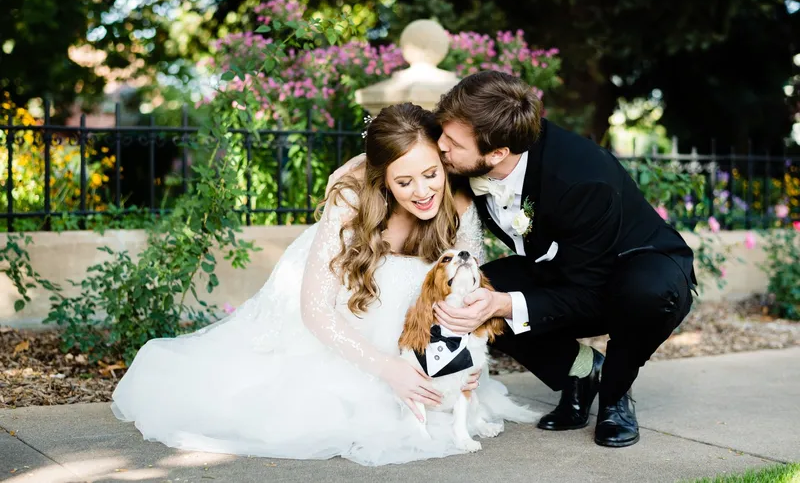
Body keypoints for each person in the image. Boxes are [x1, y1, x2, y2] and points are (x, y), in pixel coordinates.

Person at [111, 102, 537, 466]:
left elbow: (464, 295)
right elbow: (315, 312)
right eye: (404, 182)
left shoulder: (459, 203)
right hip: (343, 319)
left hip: (413, 333)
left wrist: (462, 361)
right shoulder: (353, 201)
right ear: (382, 179)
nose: (423, 191)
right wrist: (389, 369)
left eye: (431, 175)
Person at [328, 71, 696, 448]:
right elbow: (403, 144)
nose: (441, 147)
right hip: (563, 267)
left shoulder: (583, 179)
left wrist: (504, 304)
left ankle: (615, 394)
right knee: (473, 296)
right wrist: (362, 167)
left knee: (643, 294)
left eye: (452, 143)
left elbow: (588, 290)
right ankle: (581, 371)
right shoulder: (471, 143)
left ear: (497, 154)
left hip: (640, 265)